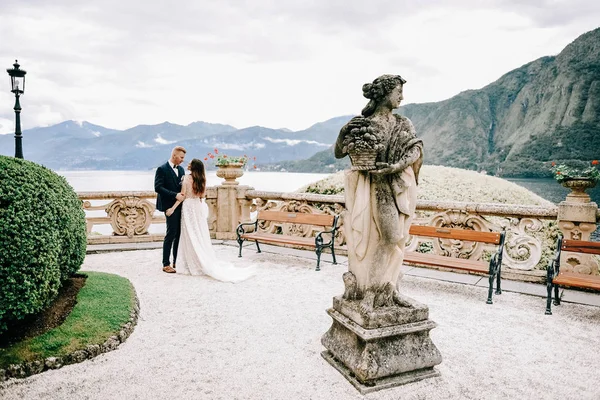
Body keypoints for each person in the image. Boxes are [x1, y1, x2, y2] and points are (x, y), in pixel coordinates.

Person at [334, 74, 423, 311]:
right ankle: (370, 292)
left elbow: (415, 149)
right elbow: (340, 153)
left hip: (399, 185)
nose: (402, 98)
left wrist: (396, 166)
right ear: (384, 94)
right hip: (375, 187)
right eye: (398, 92)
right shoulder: (363, 125)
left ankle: (390, 288)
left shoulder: (403, 123)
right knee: (390, 237)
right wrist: (343, 133)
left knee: (397, 239)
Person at [175, 158, 255, 282]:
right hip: (197, 206)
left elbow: (183, 195)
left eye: (190, 163)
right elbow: (202, 195)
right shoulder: (202, 179)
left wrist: (172, 207)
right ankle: (199, 259)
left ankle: (191, 261)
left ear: (193, 167)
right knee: (198, 233)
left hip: (188, 206)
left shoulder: (186, 178)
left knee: (189, 234)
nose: (188, 164)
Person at [155, 146, 187, 273]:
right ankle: (165, 263)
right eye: (181, 157)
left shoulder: (182, 169)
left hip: (180, 206)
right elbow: (158, 187)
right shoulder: (162, 169)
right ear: (174, 156)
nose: (183, 160)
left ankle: (176, 261)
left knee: (179, 234)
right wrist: (174, 195)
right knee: (171, 233)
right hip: (169, 206)